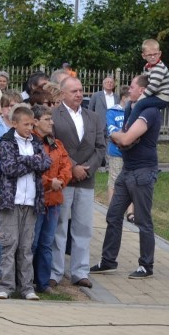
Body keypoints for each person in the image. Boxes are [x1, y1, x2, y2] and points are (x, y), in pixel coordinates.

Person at [91, 74, 162, 279]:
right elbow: (122, 139)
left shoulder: (149, 112)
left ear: (142, 90)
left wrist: (114, 133)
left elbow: (126, 138)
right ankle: (108, 260)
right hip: (127, 169)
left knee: (143, 220)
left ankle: (146, 265)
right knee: (113, 215)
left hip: (143, 172)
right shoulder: (132, 109)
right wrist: (118, 135)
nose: (128, 90)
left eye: (132, 87)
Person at [50, 77, 106, 289]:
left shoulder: (93, 117)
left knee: (83, 227)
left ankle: (80, 272)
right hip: (64, 179)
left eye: (81, 90)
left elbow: (101, 146)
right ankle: (55, 272)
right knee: (60, 226)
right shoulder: (55, 115)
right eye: (74, 91)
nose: (79, 94)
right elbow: (53, 144)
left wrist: (87, 168)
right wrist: (72, 167)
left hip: (86, 180)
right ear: (63, 93)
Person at [0, 105, 51, 300]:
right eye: (26, 124)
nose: (29, 128)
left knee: (26, 247)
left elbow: (45, 163)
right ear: (14, 123)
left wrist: (24, 161)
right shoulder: (7, 142)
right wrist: (31, 161)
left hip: (31, 202)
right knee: (9, 245)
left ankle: (27, 287)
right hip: (12, 202)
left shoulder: (36, 142)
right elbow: (9, 168)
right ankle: (5, 286)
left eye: (31, 124)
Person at [31, 104, 72, 293]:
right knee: (31, 243)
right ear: (36, 121)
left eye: (51, 119)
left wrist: (60, 182)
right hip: (36, 201)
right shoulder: (30, 142)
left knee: (46, 244)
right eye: (47, 119)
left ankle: (43, 282)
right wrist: (49, 182)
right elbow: (31, 171)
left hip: (54, 201)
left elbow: (66, 164)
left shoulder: (56, 143)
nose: (52, 122)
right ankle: (26, 280)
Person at [125, 39, 169, 129]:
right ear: (143, 56)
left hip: (162, 97)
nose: (153, 57)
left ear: (160, 53)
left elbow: (152, 87)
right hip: (154, 95)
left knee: (139, 104)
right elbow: (145, 83)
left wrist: (139, 99)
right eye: (150, 55)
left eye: (155, 54)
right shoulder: (147, 67)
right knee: (129, 104)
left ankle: (130, 128)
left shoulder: (159, 68)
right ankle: (124, 128)